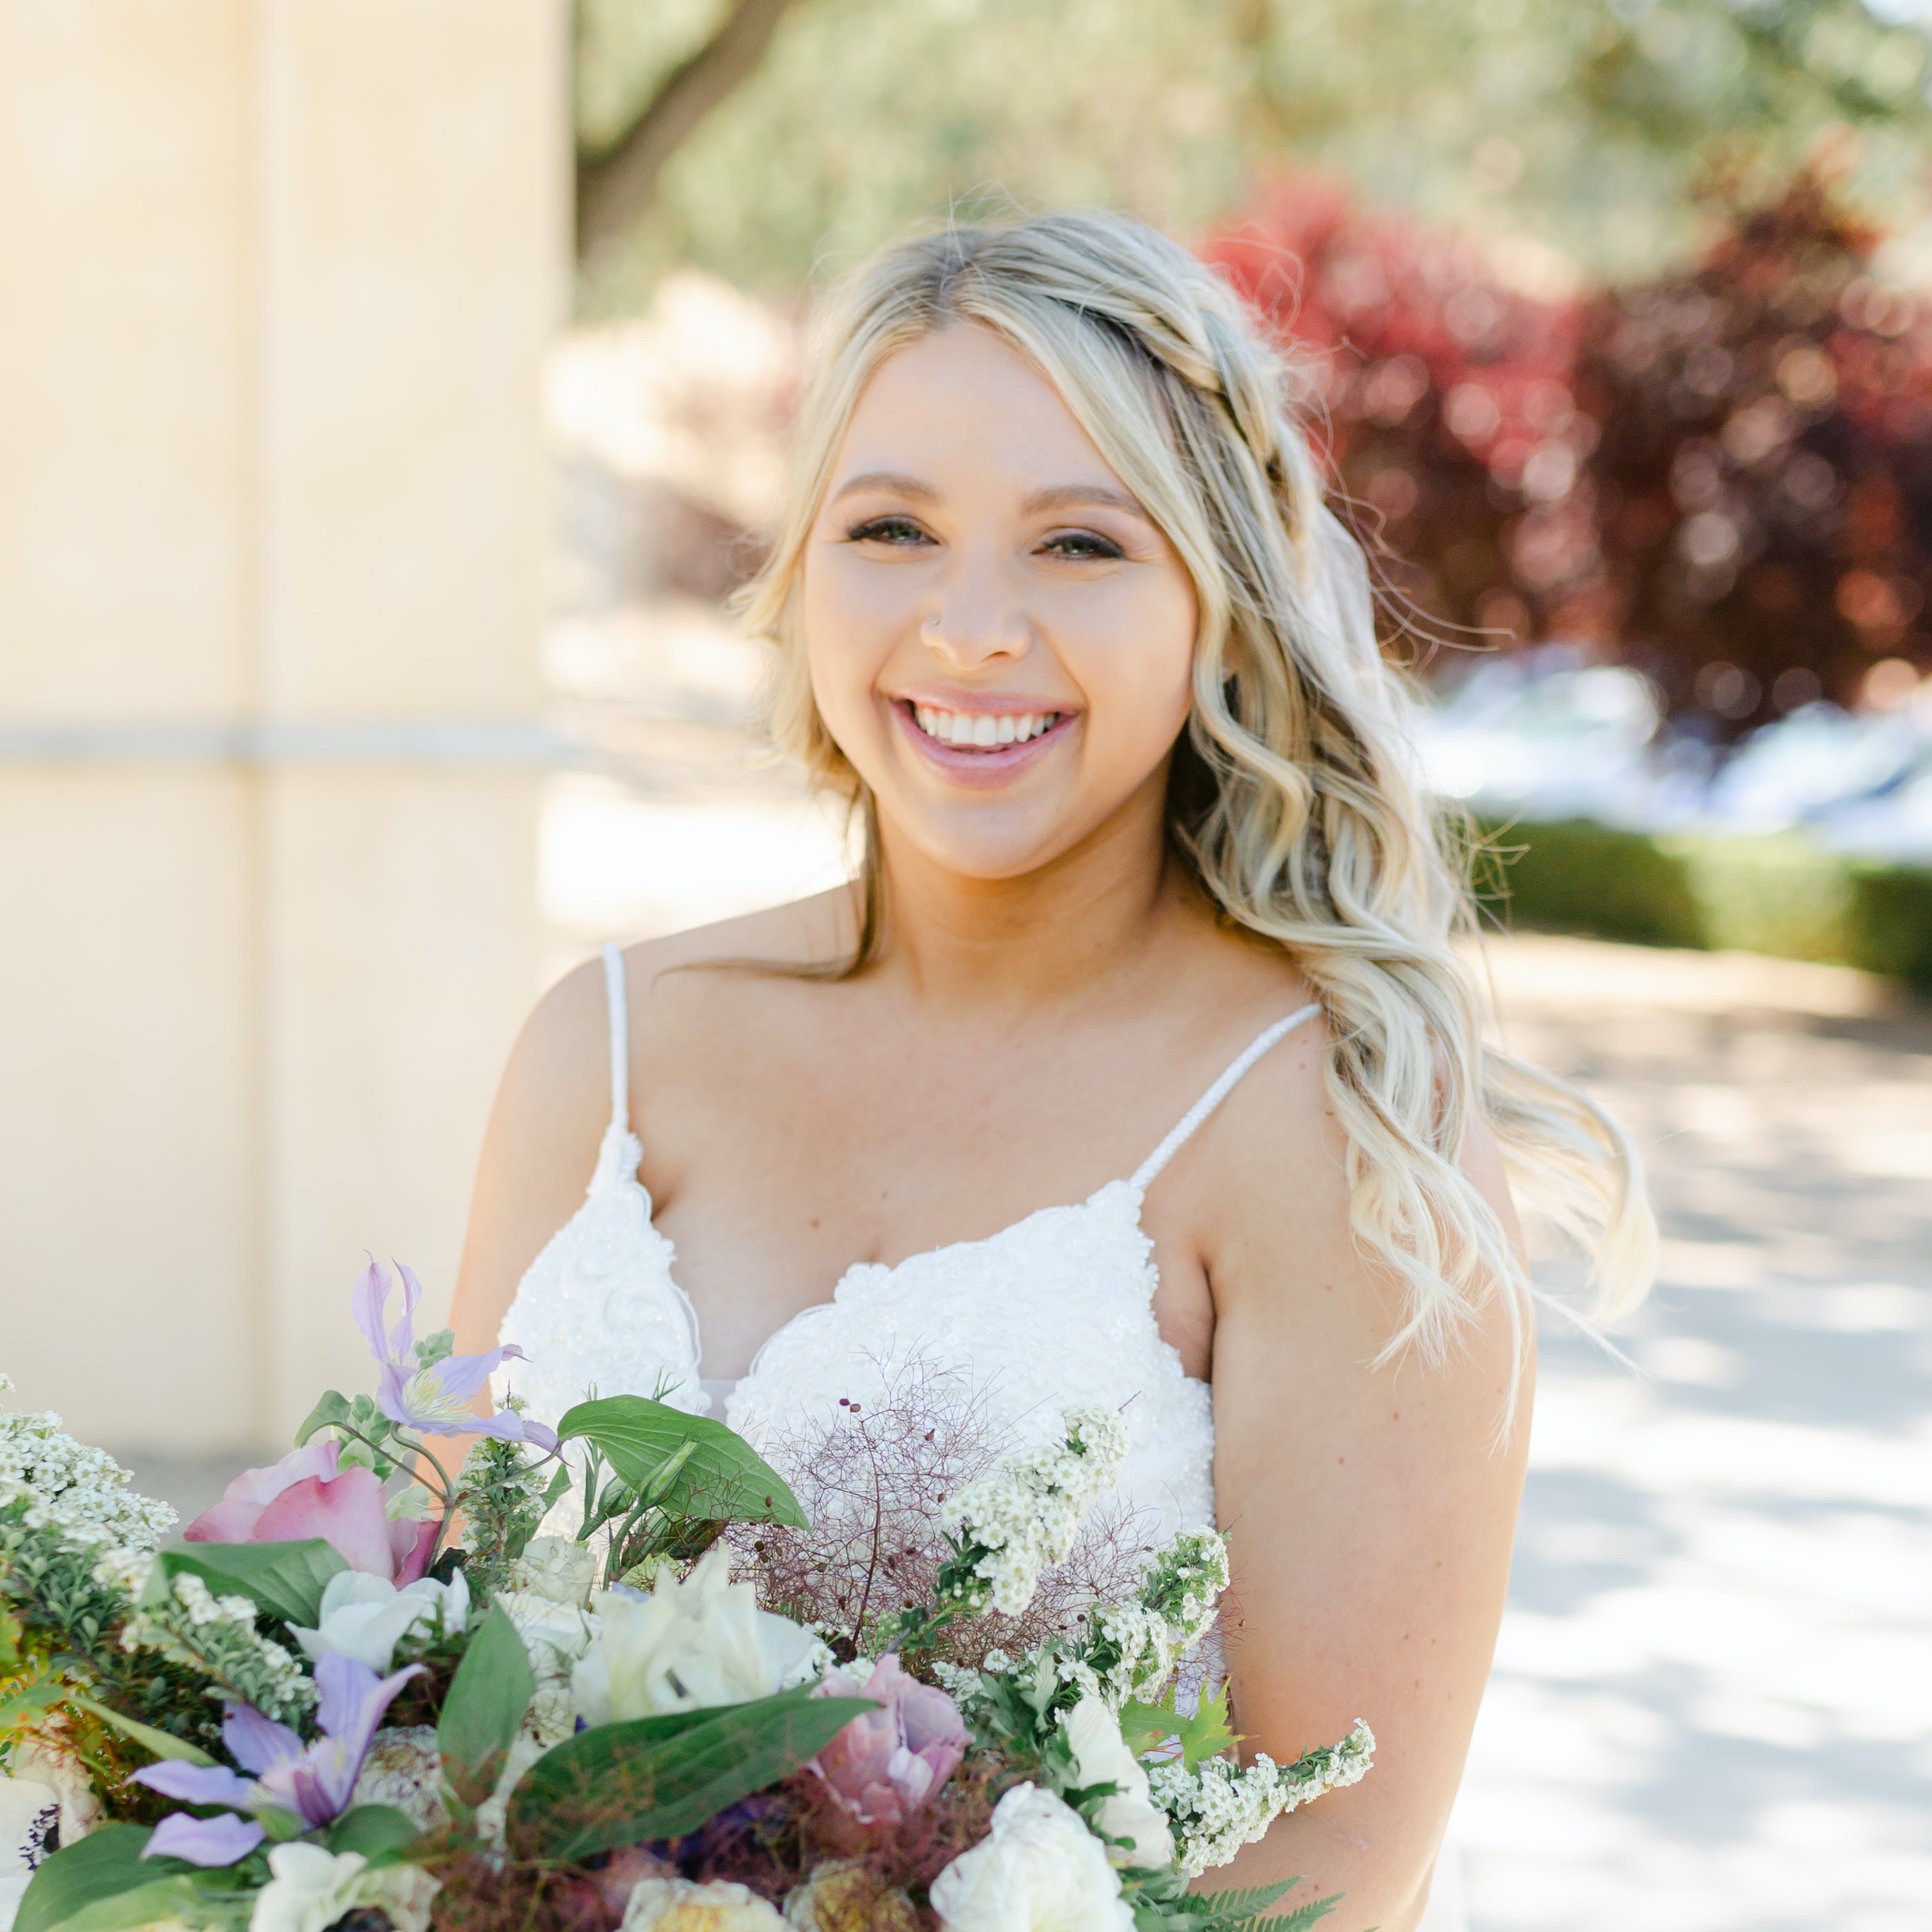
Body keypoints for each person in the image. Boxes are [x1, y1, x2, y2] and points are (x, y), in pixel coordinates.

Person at [449, 210, 1654, 1931]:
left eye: (1079, 544)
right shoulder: (610, 1046)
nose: (970, 627)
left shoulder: (1330, 1122)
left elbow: (1332, 1861)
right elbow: (429, 1642)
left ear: (1213, 597)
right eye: (891, 529)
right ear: (803, 572)